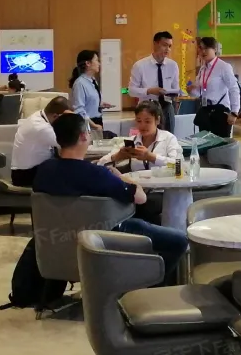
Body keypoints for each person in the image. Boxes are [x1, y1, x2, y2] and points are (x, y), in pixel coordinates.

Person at [34, 113, 187, 280]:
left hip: (57, 238)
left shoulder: (43, 171)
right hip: (106, 235)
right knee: (179, 240)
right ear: (84, 136)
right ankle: (150, 285)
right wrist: (120, 177)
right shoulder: (96, 175)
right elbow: (140, 197)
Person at [10, 95, 71, 190]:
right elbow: (70, 144)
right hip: (25, 175)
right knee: (71, 172)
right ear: (55, 116)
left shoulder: (39, 115)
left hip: (27, 170)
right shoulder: (41, 127)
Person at [129, 31, 181, 132]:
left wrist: (175, 93)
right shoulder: (140, 66)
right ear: (155, 44)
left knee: (168, 136)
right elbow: (131, 91)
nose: (167, 49)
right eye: (164, 45)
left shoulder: (173, 65)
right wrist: (149, 91)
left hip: (166, 106)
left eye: (170, 46)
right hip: (147, 106)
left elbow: (176, 88)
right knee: (149, 136)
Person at [189, 36, 240, 137]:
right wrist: (191, 90)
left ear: (215, 49)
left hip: (220, 111)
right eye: (201, 48)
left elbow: (234, 88)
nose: (203, 51)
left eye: (206, 48)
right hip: (205, 111)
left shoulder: (224, 67)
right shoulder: (203, 69)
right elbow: (199, 93)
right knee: (204, 143)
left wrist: (234, 112)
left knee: (220, 144)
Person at [113, 100, 183, 173]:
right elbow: (104, 163)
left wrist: (151, 157)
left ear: (157, 120)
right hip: (136, 180)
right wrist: (118, 156)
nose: (142, 125)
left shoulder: (168, 138)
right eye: (139, 121)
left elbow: (178, 165)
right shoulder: (133, 141)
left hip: (162, 180)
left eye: (147, 121)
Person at [70, 49, 115, 136]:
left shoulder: (93, 80)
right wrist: (94, 125)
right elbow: (79, 110)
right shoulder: (80, 83)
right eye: (97, 60)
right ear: (88, 63)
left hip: (98, 120)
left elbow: (89, 101)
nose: (99, 64)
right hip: (89, 123)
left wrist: (100, 104)